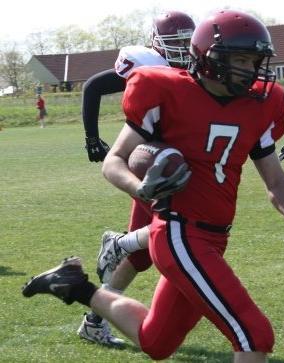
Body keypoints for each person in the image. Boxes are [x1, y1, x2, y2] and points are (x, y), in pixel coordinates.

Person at [22, 10, 284, 363]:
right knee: (253, 334)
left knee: (156, 342)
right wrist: (140, 189)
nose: (251, 70)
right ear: (209, 57)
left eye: (255, 60)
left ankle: (74, 285)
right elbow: (114, 161)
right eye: (241, 59)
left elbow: (274, 176)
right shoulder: (166, 91)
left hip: (215, 236)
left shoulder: (259, 104)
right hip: (179, 232)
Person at [79, 11, 196, 347]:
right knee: (182, 228)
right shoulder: (146, 62)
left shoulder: (200, 64)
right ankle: (119, 244)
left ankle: (93, 320)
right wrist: (91, 137)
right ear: (157, 42)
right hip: (154, 159)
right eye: (176, 42)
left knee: (142, 255)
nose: (183, 48)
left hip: (179, 158)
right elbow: (94, 86)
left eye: (187, 41)